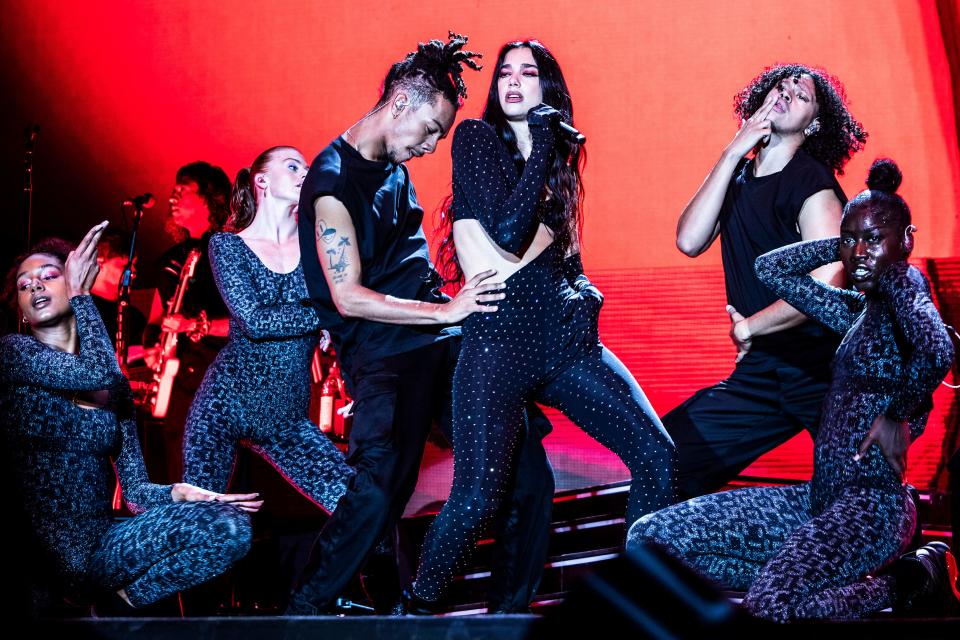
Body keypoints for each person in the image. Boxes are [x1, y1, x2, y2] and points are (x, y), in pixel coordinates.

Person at [288, 33, 554, 615]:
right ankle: (305, 610)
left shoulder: (393, 166)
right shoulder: (333, 183)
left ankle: (509, 614)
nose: (434, 145)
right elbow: (349, 295)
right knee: (384, 484)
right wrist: (446, 310)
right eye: (431, 128)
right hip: (387, 355)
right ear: (400, 103)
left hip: (440, 340)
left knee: (525, 465)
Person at [408, 39, 676, 609]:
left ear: (547, 87)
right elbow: (507, 231)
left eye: (528, 73)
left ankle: (636, 601)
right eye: (505, 72)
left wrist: (584, 286)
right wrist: (543, 144)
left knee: (658, 458)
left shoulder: (555, 157)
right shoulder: (478, 139)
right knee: (478, 496)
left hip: (563, 342)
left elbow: (564, 254)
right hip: (498, 342)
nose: (513, 81)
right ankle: (418, 608)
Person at [629, 159, 958, 620]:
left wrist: (895, 415)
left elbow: (937, 348)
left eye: (875, 238)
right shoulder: (856, 314)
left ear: (906, 239)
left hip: (869, 509)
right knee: (650, 537)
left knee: (771, 605)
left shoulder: (904, 281)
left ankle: (907, 581)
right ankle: (800, 575)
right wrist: (847, 243)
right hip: (818, 503)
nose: (861, 251)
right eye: (851, 239)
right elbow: (772, 270)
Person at [1, 223, 260, 617]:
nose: (35, 286)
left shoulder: (115, 392)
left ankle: (124, 600)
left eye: (50, 276)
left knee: (230, 527)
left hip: (100, 551)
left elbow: (136, 492)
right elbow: (100, 376)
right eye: (24, 285)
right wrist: (82, 296)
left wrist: (180, 493)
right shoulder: (13, 353)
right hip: (36, 559)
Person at [665, 64, 868, 498]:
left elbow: (826, 288)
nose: (788, 91)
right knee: (667, 457)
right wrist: (732, 152)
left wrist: (749, 327)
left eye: (803, 92)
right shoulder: (737, 180)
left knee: (861, 494)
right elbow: (688, 239)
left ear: (814, 123)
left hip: (825, 371)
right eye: (782, 84)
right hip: (765, 371)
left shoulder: (813, 185)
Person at [182, 146, 353, 513]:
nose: (305, 173)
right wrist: (326, 313)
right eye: (293, 166)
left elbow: (347, 308)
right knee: (199, 526)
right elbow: (256, 321)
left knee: (357, 508)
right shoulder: (227, 246)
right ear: (261, 180)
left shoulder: (318, 249)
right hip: (222, 408)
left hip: (286, 419)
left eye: (307, 168)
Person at [147, 161, 233, 484]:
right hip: (176, 384)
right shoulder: (170, 260)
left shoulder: (229, 254)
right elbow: (157, 318)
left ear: (209, 199)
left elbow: (246, 323)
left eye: (183, 190)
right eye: (174, 189)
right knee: (174, 472)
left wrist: (195, 325)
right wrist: (155, 345)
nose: (172, 197)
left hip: (214, 380)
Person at [90, 229, 147, 363]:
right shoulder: (75, 311)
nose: (133, 272)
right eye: (125, 265)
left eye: (134, 265)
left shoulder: (136, 318)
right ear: (99, 263)